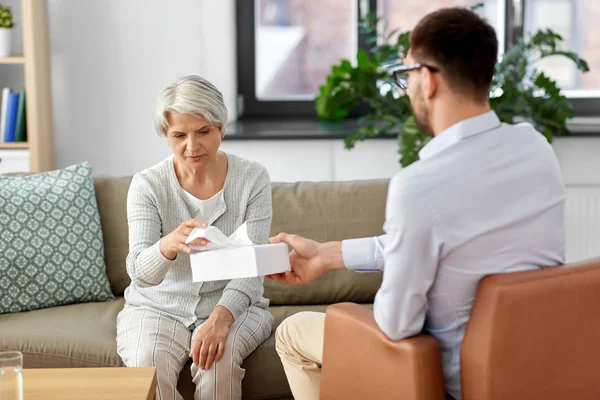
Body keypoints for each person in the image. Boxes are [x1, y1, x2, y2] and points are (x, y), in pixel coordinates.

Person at [269, 7, 565, 400]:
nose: (406, 87)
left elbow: (396, 324)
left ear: (426, 80)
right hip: (532, 371)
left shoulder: (419, 186)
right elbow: (441, 243)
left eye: (405, 73)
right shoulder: (536, 149)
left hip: (441, 379)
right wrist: (326, 255)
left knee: (291, 332)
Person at [116, 75, 274, 400]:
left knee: (220, 362)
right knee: (147, 365)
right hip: (157, 307)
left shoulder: (253, 178)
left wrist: (219, 319)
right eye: (179, 135)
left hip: (234, 305)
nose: (192, 146)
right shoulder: (147, 185)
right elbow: (140, 274)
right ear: (166, 136)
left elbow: (252, 267)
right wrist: (167, 246)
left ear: (221, 128)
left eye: (203, 132)